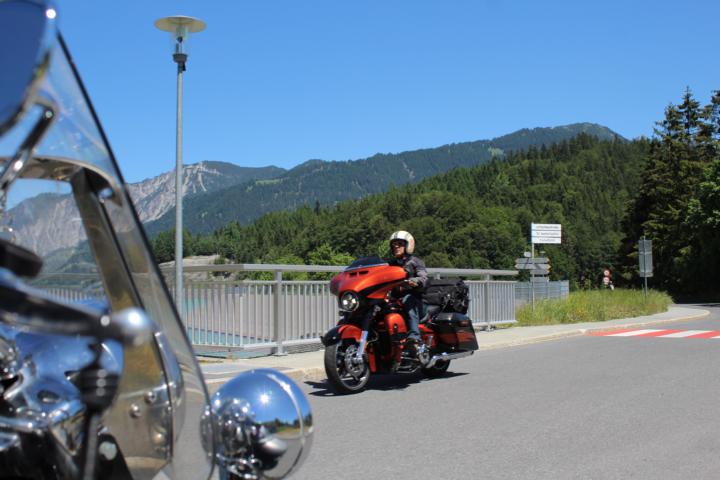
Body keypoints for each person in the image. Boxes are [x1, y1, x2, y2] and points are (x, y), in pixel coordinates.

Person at [387, 230, 428, 343]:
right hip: (396, 299)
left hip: (417, 301)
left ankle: (415, 337)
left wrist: (415, 281)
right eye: (394, 244)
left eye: (400, 244)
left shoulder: (415, 262)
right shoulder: (390, 264)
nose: (396, 247)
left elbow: (423, 277)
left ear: (408, 245)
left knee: (407, 299)